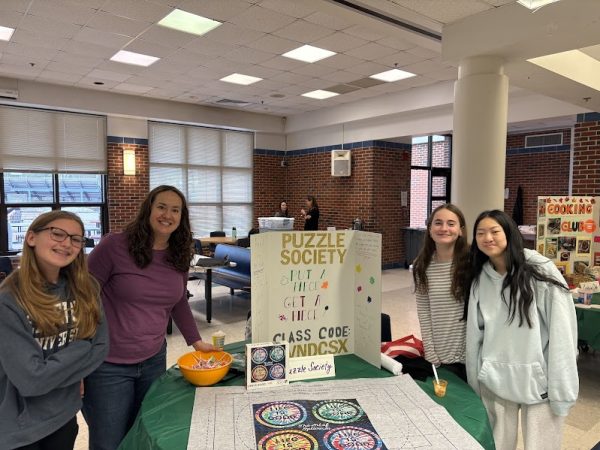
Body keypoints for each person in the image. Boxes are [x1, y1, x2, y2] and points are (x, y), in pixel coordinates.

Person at [83, 185, 215, 450]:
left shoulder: (178, 253)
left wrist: (196, 341)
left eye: (175, 210)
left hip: (153, 359)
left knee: (143, 434)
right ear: (149, 209)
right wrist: (75, 359)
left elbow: (178, 300)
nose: (167, 214)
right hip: (108, 364)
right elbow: (82, 296)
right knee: (109, 442)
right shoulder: (114, 246)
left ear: (182, 217)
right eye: (162, 207)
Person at [467, 210, 578, 450]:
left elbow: (563, 332)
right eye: (481, 233)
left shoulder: (540, 270)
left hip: (539, 383)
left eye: (495, 231)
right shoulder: (480, 277)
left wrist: (562, 389)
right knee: (496, 445)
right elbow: (474, 335)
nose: (488, 238)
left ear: (509, 233)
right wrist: (475, 378)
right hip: (494, 380)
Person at [0, 210, 108, 449]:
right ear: (31, 238)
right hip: (18, 427)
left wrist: (52, 372)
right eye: (57, 234)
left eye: (76, 239)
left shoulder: (86, 288)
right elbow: (30, 381)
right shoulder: (9, 299)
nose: (66, 243)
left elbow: (101, 347)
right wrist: (81, 348)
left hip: (64, 415)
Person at [412, 203, 470, 381]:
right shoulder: (422, 265)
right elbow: (424, 311)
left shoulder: (472, 263)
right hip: (439, 354)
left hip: (472, 356)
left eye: (451, 223)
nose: (444, 228)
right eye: (438, 223)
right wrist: (429, 350)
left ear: (460, 230)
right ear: (429, 228)